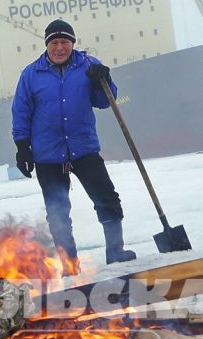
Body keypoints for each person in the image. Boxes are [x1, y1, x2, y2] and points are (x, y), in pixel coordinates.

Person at [11, 19, 135, 266]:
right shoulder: (31, 74)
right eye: (54, 43)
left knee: (107, 198)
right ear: (47, 45)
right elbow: (21, 112)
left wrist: (104, 80)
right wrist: (22, 147)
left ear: (72, 43)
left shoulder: (89, 65)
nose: (59, 48)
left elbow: (104, 101)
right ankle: (69, 263)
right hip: (48, 155)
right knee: (57, 212)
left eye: (64, 42)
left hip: (83, 148)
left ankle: (115, 251)